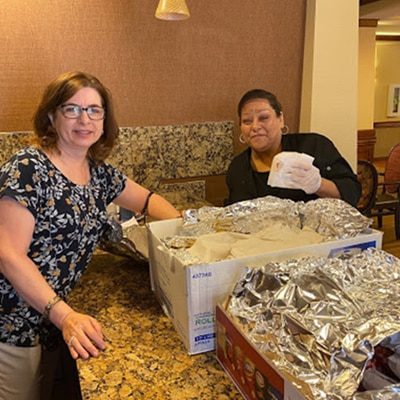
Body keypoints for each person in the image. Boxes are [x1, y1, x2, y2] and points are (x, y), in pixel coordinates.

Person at [0, 71, 181, 400]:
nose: (85, 119)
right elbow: (9, 255)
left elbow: (148, 200)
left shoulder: (98, 172)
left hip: (48, 312)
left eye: (94, 110)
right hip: (11, 320)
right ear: (52, 116)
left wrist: (186, 231)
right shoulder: (27, 168)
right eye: (72, 109)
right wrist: (65, 315)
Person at [225, 89, 361, 207]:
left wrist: (318, 184)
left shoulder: (313, 146)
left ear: (281, 119)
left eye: (264, 118)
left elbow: (352, 192)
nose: (255, 127)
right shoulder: (237, 169)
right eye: (247, 121)